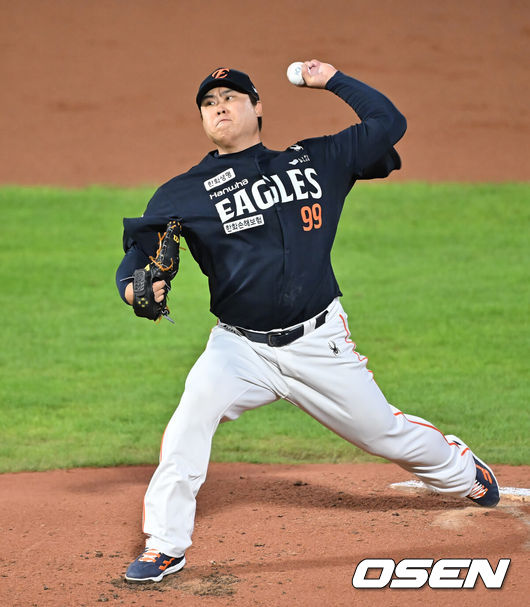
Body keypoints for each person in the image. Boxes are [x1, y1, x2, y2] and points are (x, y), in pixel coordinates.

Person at [116, 60, 499, 583]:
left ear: (258, 107)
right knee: (188, 423)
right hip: (239, 349)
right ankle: (165, 545)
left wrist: (333, 80)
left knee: (384, 434)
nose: (219, 108)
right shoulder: (184, 192)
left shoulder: (314, 161)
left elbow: (388, 124)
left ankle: (462, 473)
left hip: (319, 342)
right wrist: (132, 285)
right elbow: (140, 254)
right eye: (208, 103)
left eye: (230, 97)